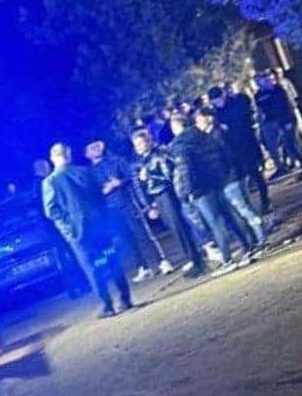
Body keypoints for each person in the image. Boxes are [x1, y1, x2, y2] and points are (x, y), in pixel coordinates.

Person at [42, 143, 132, 318]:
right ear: (68, 154)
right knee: (111, 260)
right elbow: (99, 195)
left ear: (53, 158)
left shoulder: (50, 182)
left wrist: (68, 229)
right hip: (99, 226)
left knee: (92, 268)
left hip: (78, 233)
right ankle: (125, 298)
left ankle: (107, 305)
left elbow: (51, 211)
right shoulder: (84, 171)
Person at [168, 112, 254, 267]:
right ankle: (247, 247)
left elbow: (184, 170)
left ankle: (227, 259)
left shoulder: (180, 145)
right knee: (230, 216)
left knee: (215, 223)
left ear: (176, 126)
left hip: (199, 189)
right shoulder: (204, 136)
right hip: (217, 182)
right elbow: (222, 154)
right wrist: (222, 176)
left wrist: (185, 192)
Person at [85, 140, 172, 283]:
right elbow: (91, 192)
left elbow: (131, 175)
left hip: (127, 203)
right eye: (92, 148)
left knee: (142, 234)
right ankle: (142, 267)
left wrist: (119, 182)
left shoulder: (114, 161)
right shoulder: (90, 173)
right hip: (111, 210)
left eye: (97, 146)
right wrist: (103, 191)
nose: (96, 149)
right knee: (126, 239)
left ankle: (161, 261)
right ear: (87, 154)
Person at [131, 129, 205, 273]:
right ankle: (191, 258)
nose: (138, 147)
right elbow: (143, 186)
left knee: (179, 226)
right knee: (174, 228)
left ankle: (196, 259)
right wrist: (150, 204)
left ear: (148, 142)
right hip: (157, 197)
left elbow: (168, 175)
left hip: (166, 194)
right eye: (136, 145)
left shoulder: (158, 155)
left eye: (141, 143)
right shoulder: (142, 162)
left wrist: (149, 175)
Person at [196, 108, 266, 253]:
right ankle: (254, 239)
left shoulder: (217, 135)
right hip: (229, 178)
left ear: (209, 118)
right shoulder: (212, 135)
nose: (198, 124)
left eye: (200, 120)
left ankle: (261, 237)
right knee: (241, 210)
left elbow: (227, 156)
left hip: (230, 178)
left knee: (244, 209)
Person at [209, 85, 272, 214]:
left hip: (247, 145)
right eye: (215, 102)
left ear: (223, 96)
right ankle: (252, 207)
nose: (217, 103)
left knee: (256, 174)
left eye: (218, 100)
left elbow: (246, 121)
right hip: (234, 151)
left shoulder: (236, 104)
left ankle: (265, 201)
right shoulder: (217, 113)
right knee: (242, 179)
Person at [255, 71, 302, 180]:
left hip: (286, 120)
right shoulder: (258, 95)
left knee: (293, 144)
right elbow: (261, 110)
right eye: (257, 82)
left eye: (261, 81)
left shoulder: (278, 90)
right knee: (286, 146)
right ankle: (294, 166)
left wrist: (289, 121)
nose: (259, 84)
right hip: (273, 122)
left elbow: (288, 105)